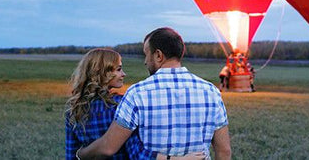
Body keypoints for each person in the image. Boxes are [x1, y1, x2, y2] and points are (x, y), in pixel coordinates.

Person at [77, 27, 231, 160]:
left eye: (146, 54)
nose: (145, 61)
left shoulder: (137, 93)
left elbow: (108, 147)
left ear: (158, 55)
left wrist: (80, 154)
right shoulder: (211, 92)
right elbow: (224, 151)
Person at [65, 48, 203, 160]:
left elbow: (71, 154)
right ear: (103, 73)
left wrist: (81, 154)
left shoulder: (73, 110)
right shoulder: (120, 104)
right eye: (118, 69)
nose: (124, 74)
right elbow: (137, 154)